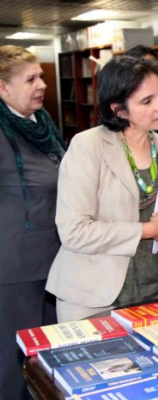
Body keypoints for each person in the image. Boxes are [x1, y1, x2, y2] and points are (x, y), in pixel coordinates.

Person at [46, 56, 158, 322]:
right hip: (94, 294)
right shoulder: (88, 146)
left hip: (154, 287)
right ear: (119, 110)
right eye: (147, 101)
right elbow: (73, 231)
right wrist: (149, 230)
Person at [0, 45, 65, 400]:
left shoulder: (41, 124)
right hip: (14, 270)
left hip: (55, 259)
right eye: (31, 79)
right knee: (12, 363)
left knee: (48, 357)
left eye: (40, 75)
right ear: (3, 88)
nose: (41, 84)